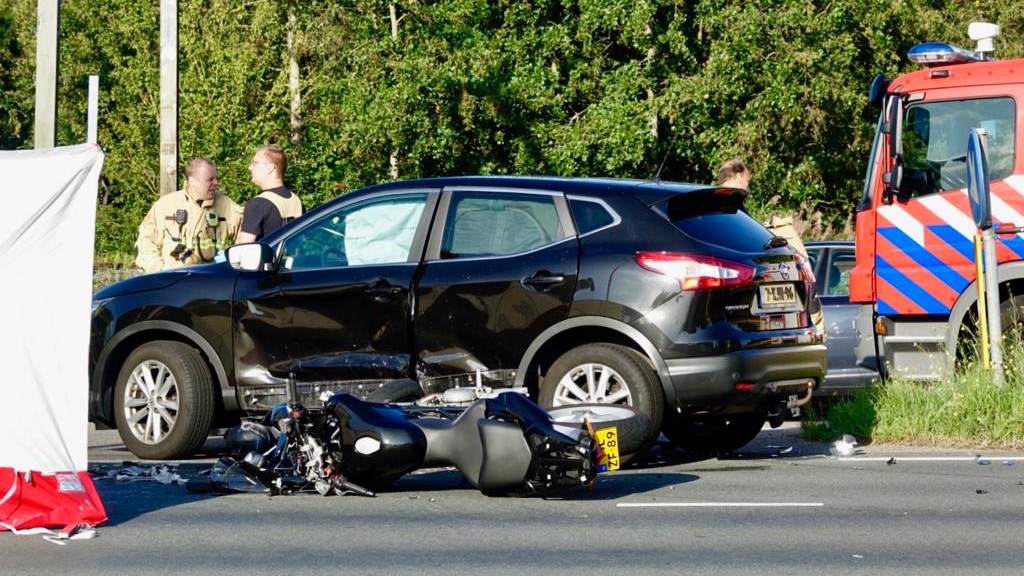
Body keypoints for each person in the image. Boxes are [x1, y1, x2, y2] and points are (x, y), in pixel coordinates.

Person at [135, 158, 243, 274]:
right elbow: (145, 243)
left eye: (216, 178)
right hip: (172, 283)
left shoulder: (226, 206)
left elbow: (248, 239)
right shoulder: (166, 205)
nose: (216, 183)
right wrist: (160, 271)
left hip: (210, 284)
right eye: (210, 179)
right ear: (192, 181)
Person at [717, 158, 806, 257]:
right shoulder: (732, 200)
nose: (747, 186)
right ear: (738, 176)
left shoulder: (712, 199)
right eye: (747, 181)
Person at [237, 144, 303, 244]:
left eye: (255, 163)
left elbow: (242, 250)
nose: (249, 167)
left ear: (270, 168)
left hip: (267, 260)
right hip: (293, 259)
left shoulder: (258, 203)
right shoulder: (296, 200)